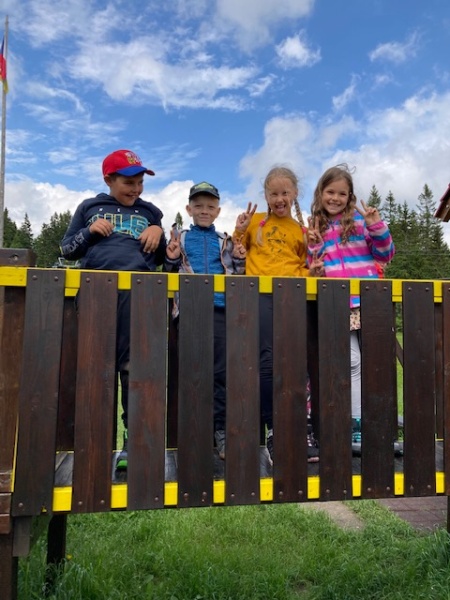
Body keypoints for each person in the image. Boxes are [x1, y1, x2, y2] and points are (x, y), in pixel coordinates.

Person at [60, 148, 177, 470]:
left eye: (140, 182)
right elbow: (67, 250)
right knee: (95, 369)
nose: (136, 189)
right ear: (109, 180)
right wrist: (89, 232)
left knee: (135, 370)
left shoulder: (150, 212)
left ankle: (132, 444)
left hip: (139, 296)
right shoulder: (89, 208)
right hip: (96, 294)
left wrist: (158, 234)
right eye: (128, 182)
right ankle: (93, 445)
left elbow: (159, 260)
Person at [233, 165, 320, 465]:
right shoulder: (255, 222)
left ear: (295, 193)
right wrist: (239, 231)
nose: (279, 198)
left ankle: (302, 428)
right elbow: (237, 253)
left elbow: (306, 266)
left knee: (297, 363)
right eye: (273, 193)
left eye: (285, 192)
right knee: (267, 361)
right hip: (260, 295)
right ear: (266, 195)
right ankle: (274, 430)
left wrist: (313, 266)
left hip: (293, 296)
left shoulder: (301, 230)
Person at [308, 163, 395, 454]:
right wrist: (314, 260)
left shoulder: (360, 223)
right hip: (339, 303)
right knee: (353, 361)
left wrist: (376, 225)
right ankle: (355, 426)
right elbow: (313, 265)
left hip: (369, 301)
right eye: (330, 192)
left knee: (375, 362)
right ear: (321, 193)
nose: (335, 198)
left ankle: (379, 424)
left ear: (350, 197)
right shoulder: (316, 227)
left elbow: (386, 254)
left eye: (342, 193)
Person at [166, 181, 246, 460]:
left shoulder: (225, 240)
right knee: (192, 373)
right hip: (189, 310)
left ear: (218, 211)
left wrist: (240, 259)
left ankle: (221, 430)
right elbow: (168, 271)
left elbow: (237, 274)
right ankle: (195, 432)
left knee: (221, 373)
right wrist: (170, 258)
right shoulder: (181, 238)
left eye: (210, 206)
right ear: (188, 209)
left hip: (220, 310)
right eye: (198, 206)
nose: (204, 210)